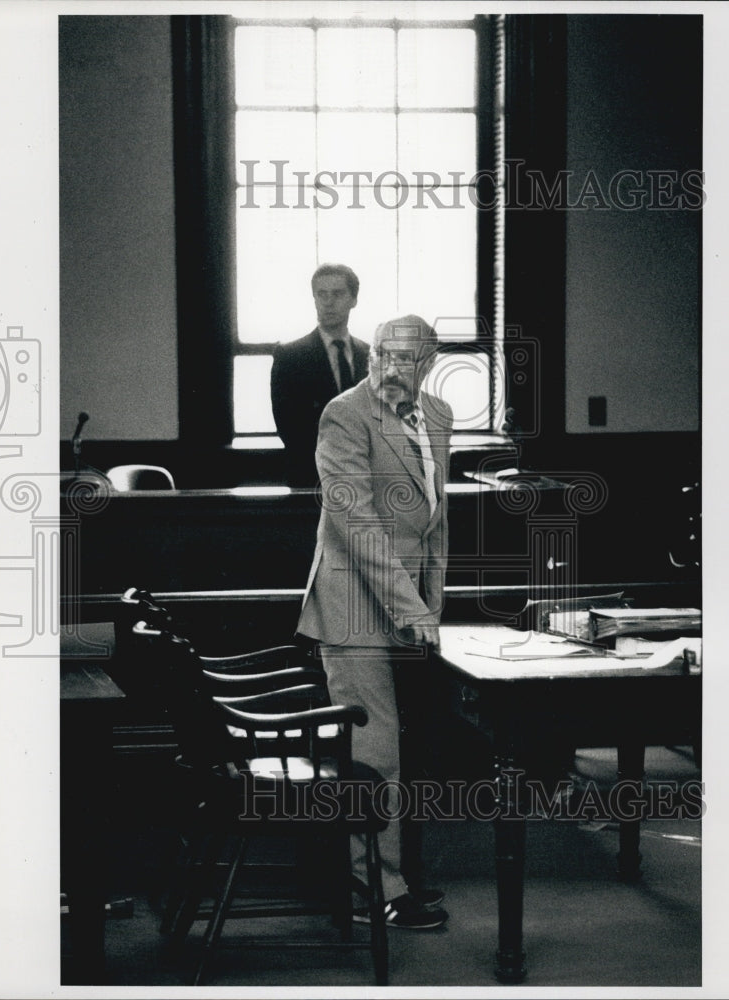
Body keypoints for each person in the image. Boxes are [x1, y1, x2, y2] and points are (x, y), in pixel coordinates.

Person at [297, 314, 453, 930]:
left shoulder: (437, 415)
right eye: (381, 355)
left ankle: (394, 877)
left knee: (409, 749)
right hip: (353, 605)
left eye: (406, 359)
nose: (390, 368)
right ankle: (376, 893)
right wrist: (412, 609)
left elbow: (436, 518)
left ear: (430, 363)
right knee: (376, 754)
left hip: (406, 607)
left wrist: (432, 604)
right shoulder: (344, 414)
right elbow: (354, 524)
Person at [270, 264, 371, 486]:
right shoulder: (290, 356)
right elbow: (289, 428)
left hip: (365, 476)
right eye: (321, 294)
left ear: (354, 299)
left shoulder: (370, 354)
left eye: (337, 293)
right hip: (311, 478)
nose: (328, 302)